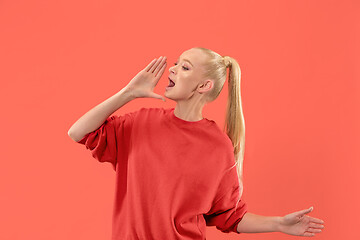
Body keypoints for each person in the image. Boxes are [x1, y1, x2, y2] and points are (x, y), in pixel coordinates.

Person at [68, 47, 325, 239]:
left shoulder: (219, 148)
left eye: (185, 67)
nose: (172, 69)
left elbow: (230, 216)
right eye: (177, 63)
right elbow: (78, 132)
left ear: (204, 85)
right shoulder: (139, 123)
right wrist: (129, 93)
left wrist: (279, 223)